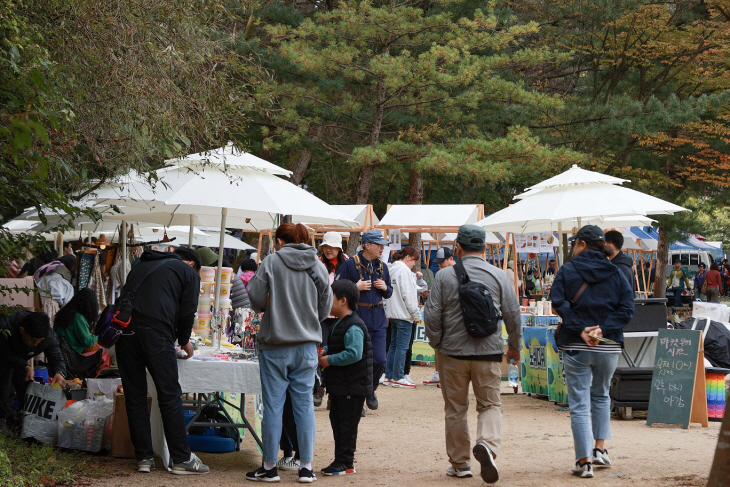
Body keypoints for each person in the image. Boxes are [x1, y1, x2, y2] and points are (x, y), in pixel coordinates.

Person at [424, 225, 522, 483]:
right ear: (485, 247)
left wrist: (437, 344)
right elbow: (513, 315)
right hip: (488, 352)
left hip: (452, 353)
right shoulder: (500, 276)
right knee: (490, 404)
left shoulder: (444, 277)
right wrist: (514, 347)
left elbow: (432, 314)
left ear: (458, 246)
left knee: (455, 409)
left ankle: (460, 464)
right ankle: (487, 444)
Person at [247, 223, 332, 483]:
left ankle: (270, 467)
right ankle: (306, 467)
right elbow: (325, 302)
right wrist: (309, 321)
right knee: (304, 405)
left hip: (275, 345)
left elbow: (256, 299)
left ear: (282, 241)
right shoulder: (317, 264)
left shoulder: (272, 262)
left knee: (273, 406)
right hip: (306, 345)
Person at [115, 247, 209, 475]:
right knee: (169, 396)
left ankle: (144, 458)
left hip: (123, 333)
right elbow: (188, 312)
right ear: (191, 264)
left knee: (135, 396)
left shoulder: (140, 265)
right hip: (156, 334)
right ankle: (181, 459)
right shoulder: (189, 273)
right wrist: (185, 340)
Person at [551, 225, 634, 479]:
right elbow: (627, 310)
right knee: (601, 396)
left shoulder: (567, 270)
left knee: (578, 403)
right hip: (608, 346)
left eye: (574, 243)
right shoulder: (618, 272)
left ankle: (584, 462)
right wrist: (601, 330)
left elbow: (558, 303)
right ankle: (599, 449)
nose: (572, 247)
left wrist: (581, 330)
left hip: (576, 345)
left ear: (583, 244)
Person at [318, 279, 373, 476]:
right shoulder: (341, 323)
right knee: (338, 422)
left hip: (352, 387)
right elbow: (338, 346)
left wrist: (329, 360)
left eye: (330, 299)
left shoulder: (354, 325)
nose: (327, 303)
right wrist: (324, 351)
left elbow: (353, 353)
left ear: (342, 301)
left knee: (346, 426)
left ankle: (345, 462)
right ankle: (342, 460)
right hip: (342, 386)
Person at [335, 230, 392, 412]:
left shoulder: (382, 266)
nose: (382, 248)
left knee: (380, 361)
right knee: (357, 361)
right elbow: (336, 290)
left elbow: (389, 292)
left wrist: (385, 288)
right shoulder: (350, 265)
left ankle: (370, 391)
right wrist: (354, 287)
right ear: (367, 245)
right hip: (358, 319)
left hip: (379, 320)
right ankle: (358, 398)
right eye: (379, 244)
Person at [0, 311, 67, 433]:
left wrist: (59, 372)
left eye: (40, 341)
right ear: (22, 330)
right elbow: (4, 354)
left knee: (25, 386)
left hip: (21, 360)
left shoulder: (48, 336)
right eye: (33, 340)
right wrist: (25, 365)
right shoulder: (6, 328)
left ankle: (21, 417)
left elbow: (57, 356)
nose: (36, 344)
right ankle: (3, 419)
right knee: (4, 386)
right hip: (3, 358)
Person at [384, 247, 421, 389]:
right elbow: (408, 295)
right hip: (404, 314)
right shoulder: (405, 271)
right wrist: (416, 314)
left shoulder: (391, 269)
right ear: (408, 258)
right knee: (402, 347)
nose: (414, 265)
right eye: (414, 261)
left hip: (392, 313)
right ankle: (398, 377)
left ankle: (389, 376)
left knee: (393, 346)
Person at [424, 247, 458, 387]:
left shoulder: (459, 273)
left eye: (441, 262)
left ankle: (448, 376)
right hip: (442, 315)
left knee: (450, 347)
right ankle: (439, 374)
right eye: (437, 262)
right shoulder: (440, 274)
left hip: (453, 316)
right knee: (438, 346)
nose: (439, 265)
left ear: (451, 259)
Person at [54, 288, 99, 354]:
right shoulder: (78, 318)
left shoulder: (63, 313)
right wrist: (98, 333)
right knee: (103, 355)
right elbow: (88, 343)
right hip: (72, 357)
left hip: (59, 354)